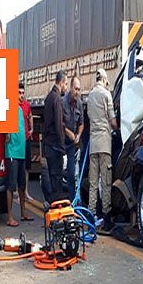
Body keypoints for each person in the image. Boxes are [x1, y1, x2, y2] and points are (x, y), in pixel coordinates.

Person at [86, 69, 118, 233]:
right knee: (105, 182)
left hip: (93, 146)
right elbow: (112, 121)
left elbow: (89, 116)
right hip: (105, 145)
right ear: (104, 79)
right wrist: (118, 128)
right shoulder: (106, 95)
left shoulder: (90, 96)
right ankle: (106, 218)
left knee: (93, 183)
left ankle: (90, 216)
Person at [5, 106, 34, 227]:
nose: (20, 95)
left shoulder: (20, 110)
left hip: (21, 152)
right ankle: (10, 217)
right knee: (11, 186)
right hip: (12, 152)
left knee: (22, 184)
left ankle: (23, 212)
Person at [42, 70, 68, 203]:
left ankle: (51, 208)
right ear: (61, 82)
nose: (66, 87)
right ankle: (57, 212)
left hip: (48, 145)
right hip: (55, 146)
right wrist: (63, 147)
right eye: (66, 84)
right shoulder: (57, 99)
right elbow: (59, 124)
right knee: (57, 180)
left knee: (52, 178)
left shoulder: (48, 98)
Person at [62, 76, 84, 198]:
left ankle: (72, 200)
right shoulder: (62, 102)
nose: (77, 92)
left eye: (79, 89)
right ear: (70, 88)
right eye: (75, 89)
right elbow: (59, 123)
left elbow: (81, 123)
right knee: (57, 173)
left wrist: (78, 135)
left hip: (71, 145)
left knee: (71, 173)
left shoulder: (80, 103)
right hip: (61, 143)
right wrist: (68, 132)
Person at [18, 83, 34, 201]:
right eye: (19, 93)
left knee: (27, 167)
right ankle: (19, 192)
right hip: (17, 142)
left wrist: (31, 128)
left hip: (26, 139)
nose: (21, 95)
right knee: (19, 167)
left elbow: (30, 116)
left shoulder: (27, 105)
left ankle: (26, 191)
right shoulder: (14, 106)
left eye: (23, 93)